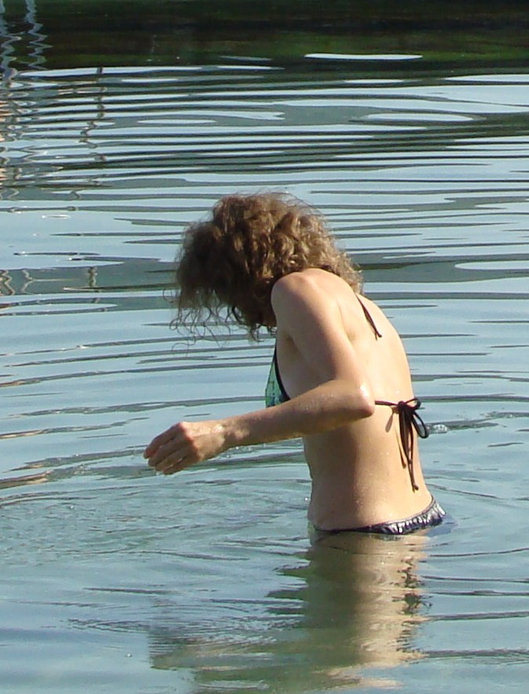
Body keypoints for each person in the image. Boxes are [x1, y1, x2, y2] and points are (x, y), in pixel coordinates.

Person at [145, 194, 440, 536]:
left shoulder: (294, 289)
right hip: (420, 521)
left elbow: (353, 397)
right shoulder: (357, 303)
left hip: (362, 539)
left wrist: (223, 433)